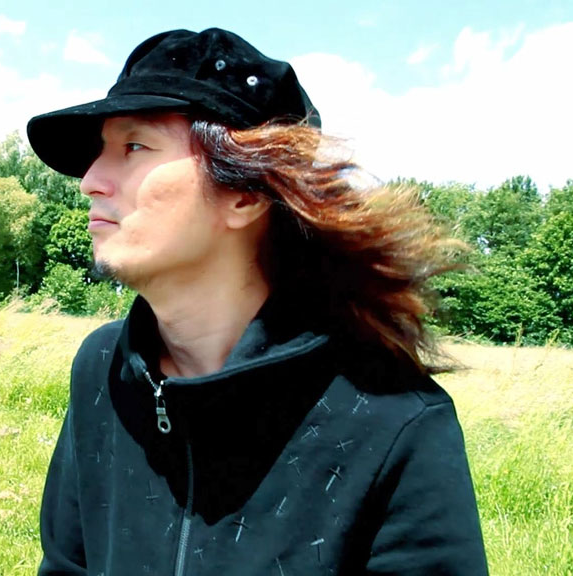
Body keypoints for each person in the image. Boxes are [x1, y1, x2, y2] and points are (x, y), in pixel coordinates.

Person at [26, 28, 488, 575]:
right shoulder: (103, 371)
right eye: (101, 151)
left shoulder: (396, 422)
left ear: (245, 194)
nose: (91, 180)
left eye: (134, 146)